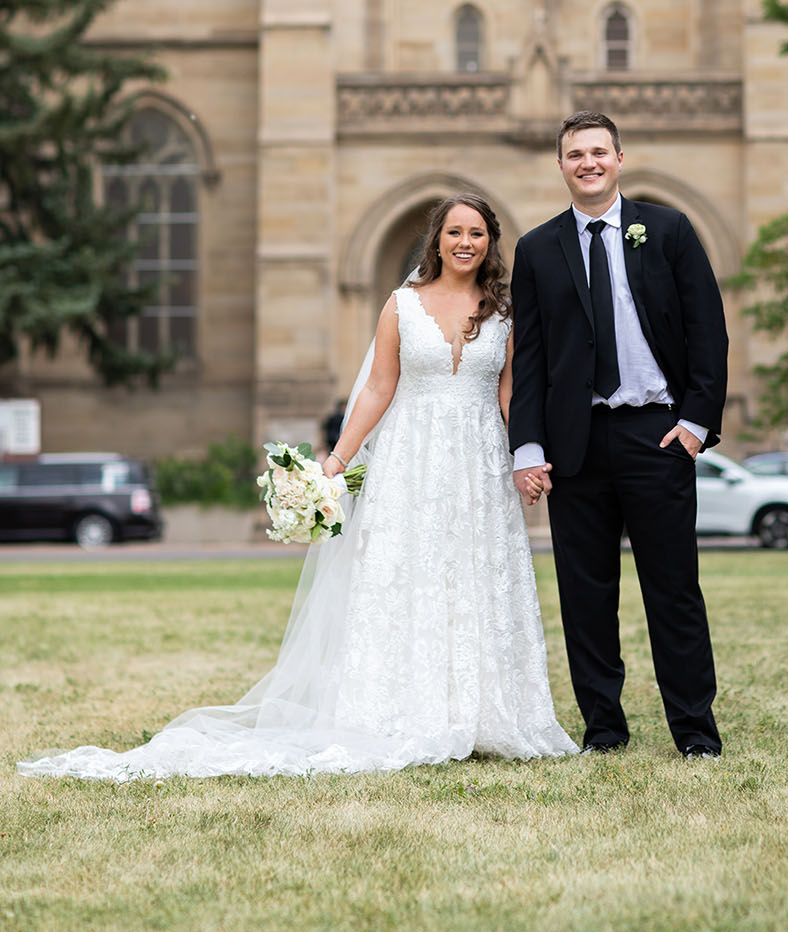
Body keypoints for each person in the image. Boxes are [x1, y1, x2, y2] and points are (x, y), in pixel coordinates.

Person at [20, 195, 577, 780]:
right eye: (456, 232)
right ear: (437, 240)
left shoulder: (504, 314)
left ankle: (487, 713)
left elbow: (509, 395)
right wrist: (335, 461)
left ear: (491, 243)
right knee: (404, 575)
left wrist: (527, 456)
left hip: (479, 462)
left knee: (475, 574)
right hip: (411, 460)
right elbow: (376, 390)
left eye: (478, 233)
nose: (467, 242)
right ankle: (400, 711)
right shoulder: (401, 306)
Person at [507, 111, 728, 759]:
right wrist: (528, 446)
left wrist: (693, 424)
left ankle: (696, 734)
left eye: (598, 152)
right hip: (576, 447)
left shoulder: (668, 231)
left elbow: (706, 331)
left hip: (656, 438)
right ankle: (604, 730)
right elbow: (530, 359)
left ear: (619, 159)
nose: (588, 163)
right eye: (575, 154)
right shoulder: (537, 249)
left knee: (674, 591)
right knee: (585, 597)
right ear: (561, 166)